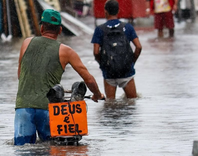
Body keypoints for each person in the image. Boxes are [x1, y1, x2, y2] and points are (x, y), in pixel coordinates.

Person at [14, 9, 105, 145]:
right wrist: (97, 94)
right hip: (48, 109)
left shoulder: (26, 43)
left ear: (42, 27)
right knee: (53, 148)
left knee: (23, 149)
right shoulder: (66, 51)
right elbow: (89, 79)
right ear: (60, 30)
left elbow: (20, 75)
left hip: (23, 108)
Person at [91, 0, 142, 100]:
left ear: (105, 11)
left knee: (110, 104)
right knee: (132, 103)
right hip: (126, 71)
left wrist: (103, 65)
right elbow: (139, 47)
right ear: (118, 11)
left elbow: (96, 52)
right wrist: (131, 62)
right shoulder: (127, 27)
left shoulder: (100, 29)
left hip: (109, 72)